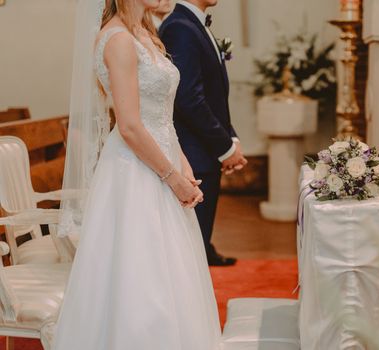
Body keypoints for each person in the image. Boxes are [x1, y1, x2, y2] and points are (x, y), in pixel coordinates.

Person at [52, 0, 221, 349]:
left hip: (162, 159)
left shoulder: (146, 33)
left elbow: (161, 116)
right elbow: (129, 126)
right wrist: (171, 176)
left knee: (174, 272)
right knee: (142, 273)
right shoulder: (117, 40)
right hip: (135, 172)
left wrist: (184, 167)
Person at [159, 0, 247, 267]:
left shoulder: (192, 23)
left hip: (203, 151)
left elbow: (213, 93)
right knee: (189, 254)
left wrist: (230, 138)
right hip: (193, 153)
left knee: (198, 241)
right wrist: (224, 147)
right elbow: (188, 98)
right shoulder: (180, 27)